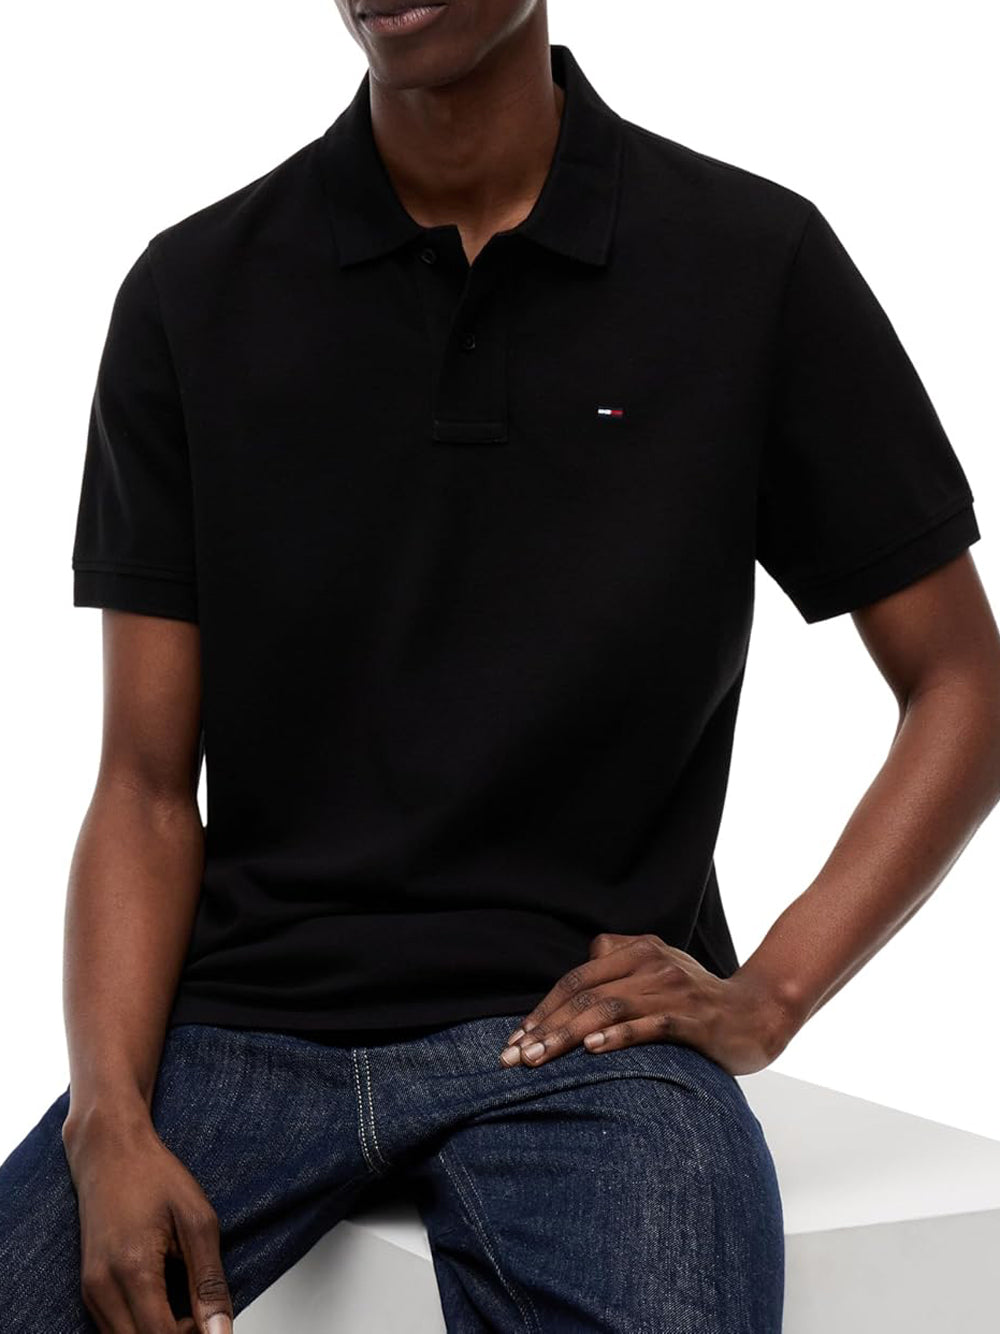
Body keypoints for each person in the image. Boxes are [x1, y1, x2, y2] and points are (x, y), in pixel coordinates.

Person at [2, 2, 999, 1331]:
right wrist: (110, 1118)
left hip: (590, 1040)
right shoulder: (194, 292)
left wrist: (771, 992)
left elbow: (963, 681)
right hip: (242, 1033)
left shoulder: (749, 263)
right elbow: (139, 783)